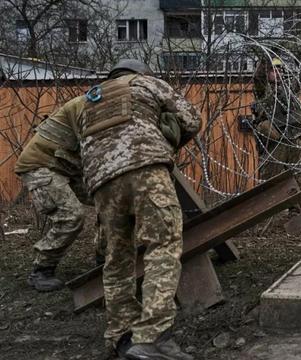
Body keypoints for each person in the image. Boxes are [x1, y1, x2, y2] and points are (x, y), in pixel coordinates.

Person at [74, 59, 201, 359]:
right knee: (163, 244)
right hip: (145, 168)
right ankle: (153, 337)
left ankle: (121, 339)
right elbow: (192, 119)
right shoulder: (145, 83)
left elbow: (81, 147)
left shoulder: (88, 101)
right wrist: (169, 136)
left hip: (101, 182)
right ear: (139, 73)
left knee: (117, 259)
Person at [14, 96, 105, 292]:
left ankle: (104, 257)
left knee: (110, 201)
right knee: (71, 216)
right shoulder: (90, 104)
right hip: (42, 164)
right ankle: (41, 270)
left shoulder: (105, 102)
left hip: (66, 166)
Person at [252, 55, 301, 214]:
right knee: (271, 176)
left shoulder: (288, 88)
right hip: (276, 139)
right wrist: (265, 58)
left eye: (279, 68)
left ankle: (295, 209)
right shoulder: (263, 91)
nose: (277, 72)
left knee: (297, 173)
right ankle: (267, 212)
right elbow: (258, 78)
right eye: (273, 69)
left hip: (293, 136)